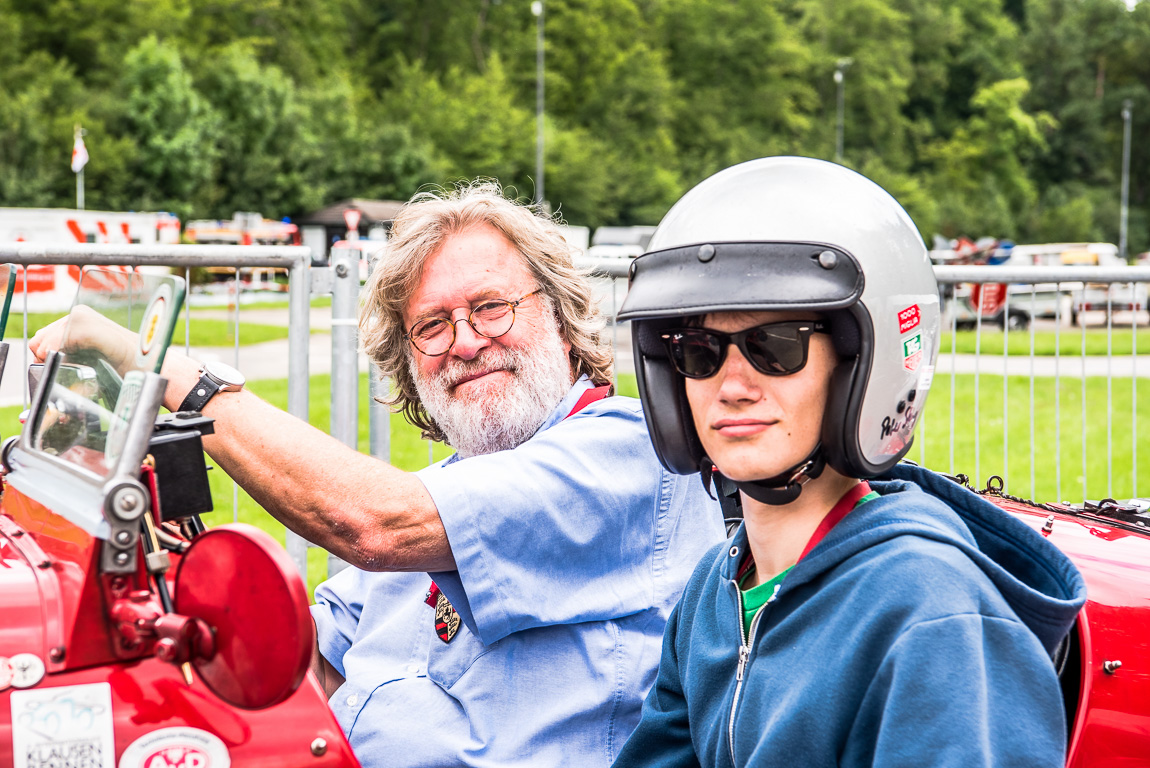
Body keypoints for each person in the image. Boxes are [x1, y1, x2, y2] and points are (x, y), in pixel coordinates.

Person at [29, 182, 725, 767]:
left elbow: (370, 523)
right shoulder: (453, 485)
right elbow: (302, 664)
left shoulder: (627, 454)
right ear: (410, 362)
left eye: (490, 307)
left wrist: (173, 378)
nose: (465, 341)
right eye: (431, 326)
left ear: (565, 321)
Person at [612, 157, 1087, 768]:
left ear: (862, 365)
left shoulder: (930, 613)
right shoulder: (716, 590)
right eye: (699, 351)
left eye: (774, 347)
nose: (731, 386)